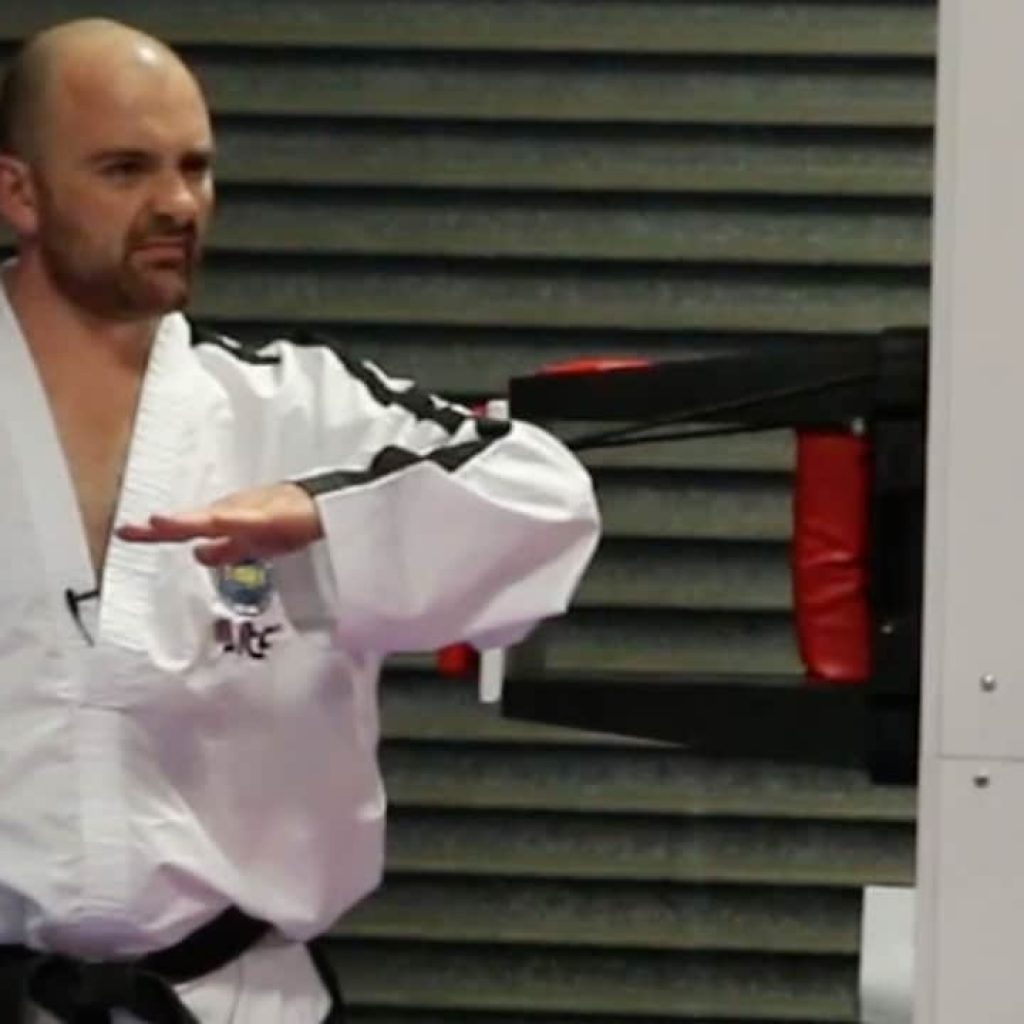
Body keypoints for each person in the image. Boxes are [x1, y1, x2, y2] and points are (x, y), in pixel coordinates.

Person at [0, 18, 600, 1024]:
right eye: (125, 169)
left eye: (196, 167)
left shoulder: (298, 408)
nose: (177, 203)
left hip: (232, 998)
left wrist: (323, 512)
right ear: (18, 190)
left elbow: (545, 499)